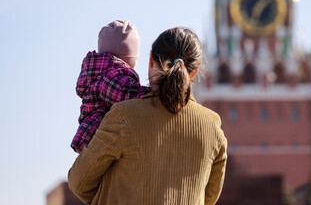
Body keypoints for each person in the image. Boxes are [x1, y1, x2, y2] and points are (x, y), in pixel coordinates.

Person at [68, 27, 227, 205]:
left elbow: (79, 181)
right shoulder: (213, 126)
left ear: (151, 60)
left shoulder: (124, 116)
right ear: (194, 73)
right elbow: (209, 198)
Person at [71, 20, 149, 153]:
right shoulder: (111, 75)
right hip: (100, 137)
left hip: (94, 135)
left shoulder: (100, 73)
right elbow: (125, 94)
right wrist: (153, 93)